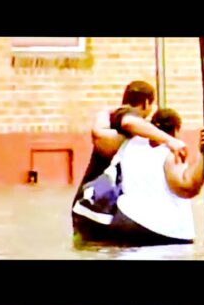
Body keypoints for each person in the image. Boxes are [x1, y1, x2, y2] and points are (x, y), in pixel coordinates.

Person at [72, 81, 187, 243]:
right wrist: (169, 140)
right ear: (146, 103)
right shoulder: (124, 115)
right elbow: (128, 122)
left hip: (89, 203)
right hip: (103, 206)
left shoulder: (113, 124)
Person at [108, 108, 204, 245]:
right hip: (165, 231)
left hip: (126, 219)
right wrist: (203, 154)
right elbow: (187, 188)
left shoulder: (131, 143)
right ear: (177, 130)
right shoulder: (170, 154)